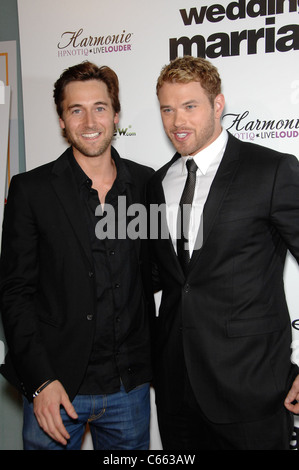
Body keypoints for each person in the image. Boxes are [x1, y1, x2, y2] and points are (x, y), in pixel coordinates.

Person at [0, 61, 154, 450]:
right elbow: (14, 293)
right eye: (76, 109)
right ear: (62, 120)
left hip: (128, 388)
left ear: (115, 115)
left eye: (100, 108)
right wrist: (40, 382)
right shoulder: (31, 190)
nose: (90, 120)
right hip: (57, 388)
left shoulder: (146, 184)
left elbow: (159, 276)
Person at [147, 55, 299, 450]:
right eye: (167, 108)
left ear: (218, 105)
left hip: (251, 387)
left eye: (190, 106)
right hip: (175, 389)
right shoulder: (158, 183)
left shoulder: (271, 170)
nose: (177, 121)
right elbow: (165, 279)